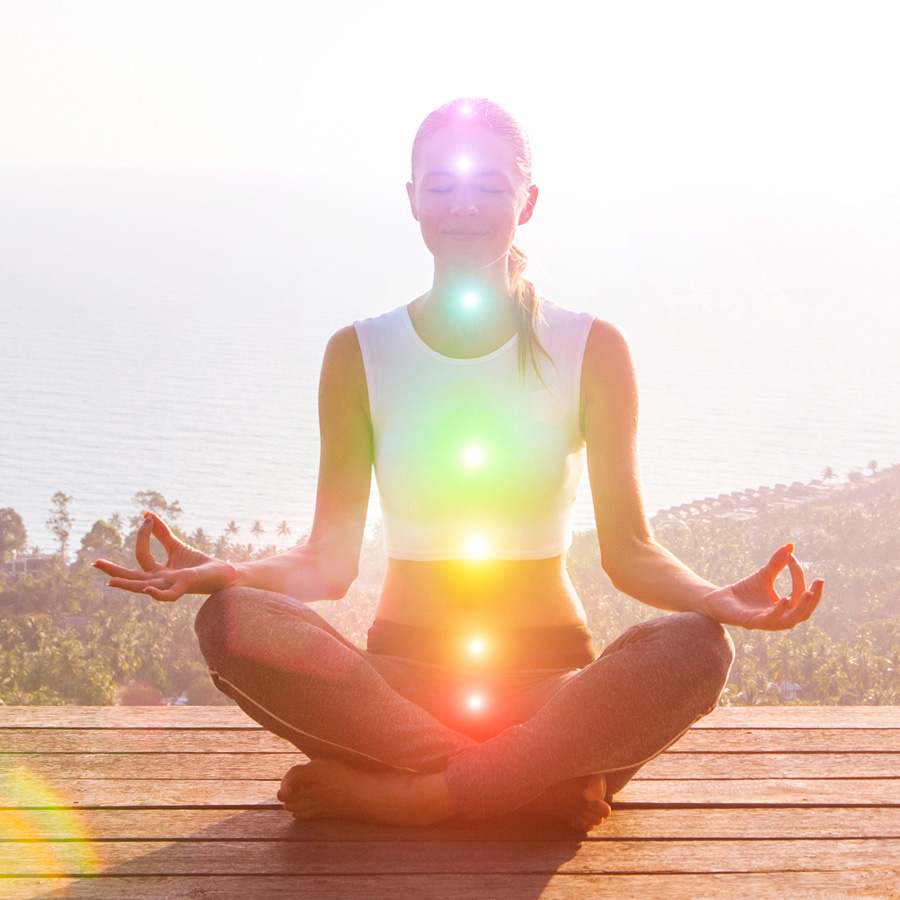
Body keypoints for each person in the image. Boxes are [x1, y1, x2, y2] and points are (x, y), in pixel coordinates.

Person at [94, 98, 823, 831]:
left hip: (549, 694)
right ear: (412, 198)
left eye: (489, 186)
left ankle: (417, 796)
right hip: (396, 699)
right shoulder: (359, 354)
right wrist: (230, 572)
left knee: (697, 647)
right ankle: (523, 787)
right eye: (441, 185)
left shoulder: (591, 348)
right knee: (233, 620)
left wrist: (714, 599)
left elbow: (630, 552)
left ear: (527, 201)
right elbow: (328, 563)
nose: (464, 205)